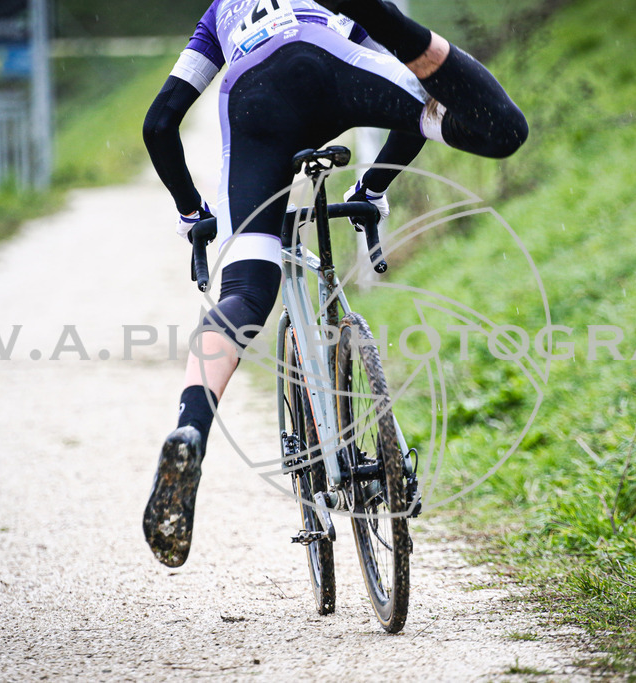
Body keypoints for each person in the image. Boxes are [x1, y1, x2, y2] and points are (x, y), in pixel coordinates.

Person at [141, 0, 528, 567]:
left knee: (245, 295)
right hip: (330, 59)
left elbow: (160, 123)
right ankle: (388, 19)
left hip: (255, 100)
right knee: (489, 128)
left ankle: (189, 429)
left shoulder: (219, 12)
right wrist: (371, 188)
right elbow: (418, 100)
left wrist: (192, 211)